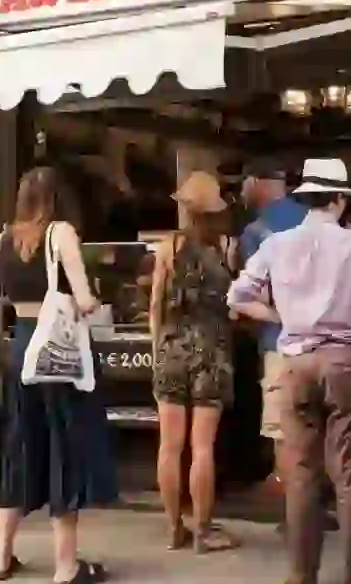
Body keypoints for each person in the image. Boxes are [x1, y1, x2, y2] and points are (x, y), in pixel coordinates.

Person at [227, 158, 351, 584]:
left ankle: (301, 576)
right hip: (344, 361)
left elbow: (237, 297)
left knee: (301, 474)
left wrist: (283, 316)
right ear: (339, 200)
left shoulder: (276, 244)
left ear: (304, 199)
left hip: (293, 362)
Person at [0, 167, 118, 584]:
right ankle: (66, 565)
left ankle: (2, 557)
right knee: (64, 447)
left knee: (21, 446)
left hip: (21, 347)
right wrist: (95, 299)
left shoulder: (5, 238)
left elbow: (5, 295)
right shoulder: (60, 232)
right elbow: (83, 299)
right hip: (56, 355)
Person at [150, 170, 240, 553]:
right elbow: (235, 305)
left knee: (169, 446)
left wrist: (158, 346)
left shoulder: (166, 248)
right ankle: (204, 531)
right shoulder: (228, 247)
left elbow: (155, 305)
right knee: (202, 447)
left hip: (171, 349)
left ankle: (174, 528)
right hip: (213, 352)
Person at [236, 159, 308, 523]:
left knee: (283, 430)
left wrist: (274, 316)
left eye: (244, 183)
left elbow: (252, 293)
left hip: (279, 343)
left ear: (257, 183)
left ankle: (294, 515)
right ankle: (315, 504)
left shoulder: (255, 232)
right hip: (323, 343)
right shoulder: (316, 221)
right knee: (318, 425)